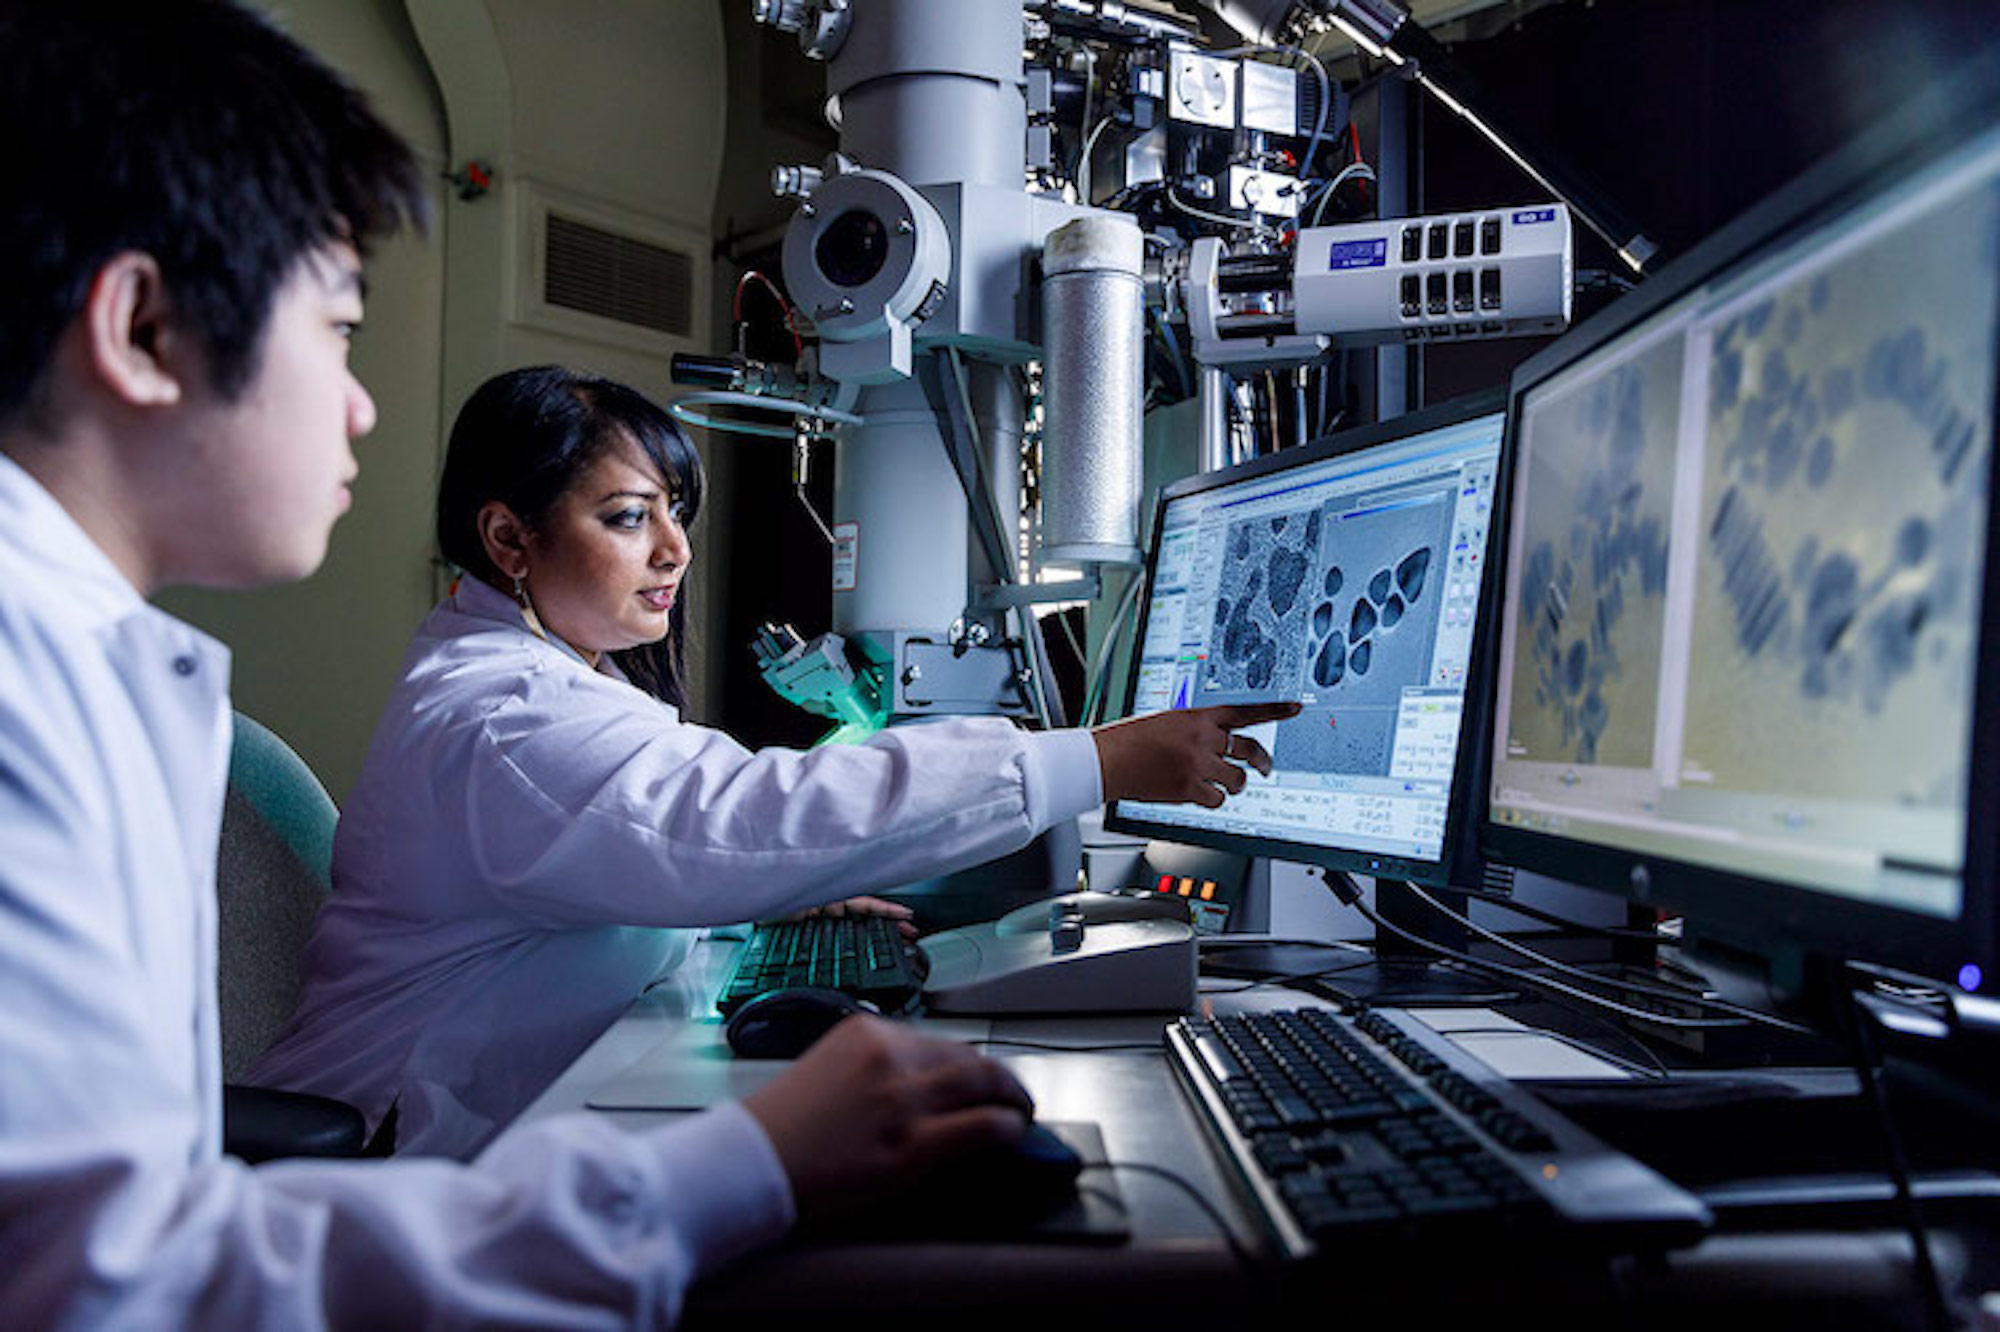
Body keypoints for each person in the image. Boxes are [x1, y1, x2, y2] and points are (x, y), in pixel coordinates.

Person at [0, 2, 1282, 1323]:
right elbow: (120, 1288)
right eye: (337, 332)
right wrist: (1090, 760)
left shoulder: (95, 663)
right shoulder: (477, 717)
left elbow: (651, 854)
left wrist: (748, 917)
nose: (361, 404)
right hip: (395, 1160)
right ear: (143, 328)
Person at [250, 365, 1298, 1158]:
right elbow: (733, 820)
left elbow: (628, 859)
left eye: (675, 511)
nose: (674, 549)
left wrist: (766, 896)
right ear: (510, 541)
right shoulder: (503, 718)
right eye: (628, 517)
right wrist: (1093, 761)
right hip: (394, 1152)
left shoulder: (529, 678)